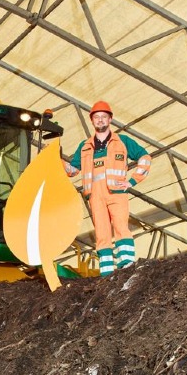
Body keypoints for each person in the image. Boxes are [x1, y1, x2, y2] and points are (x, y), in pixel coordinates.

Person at [64, 101, 151, 276]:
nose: (100, 120)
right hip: (95, 196)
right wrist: (56, 160)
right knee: (102, 233)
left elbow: (145, 157)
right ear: (92, 121)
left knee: (121, 227)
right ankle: (106, 272)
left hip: (117, 193)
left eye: (104, 117)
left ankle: (126, 264)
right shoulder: (85, 146)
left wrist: (132, 181)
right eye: (97, 117)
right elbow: (73, 170)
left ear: (110, 119)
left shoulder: (123, 141)